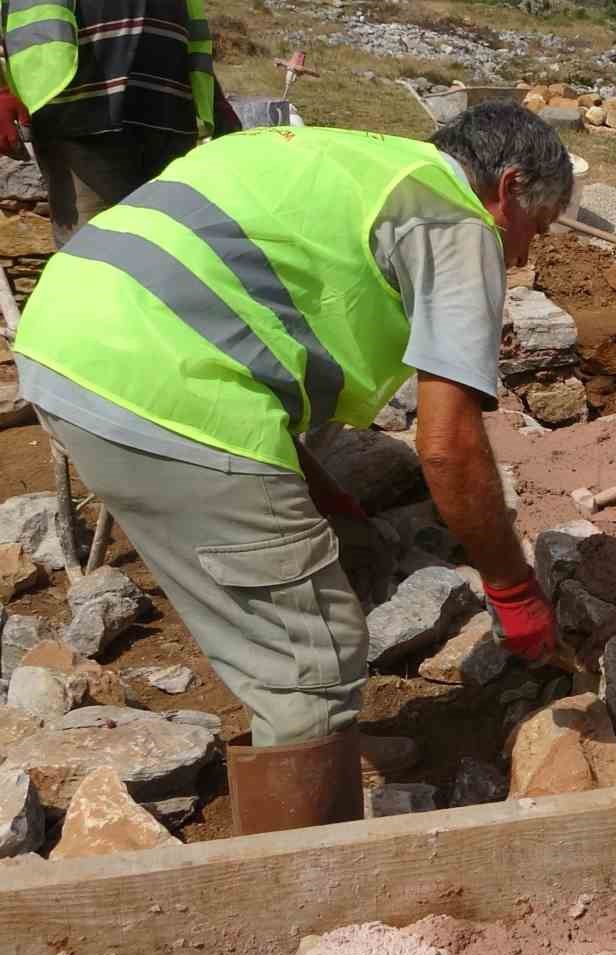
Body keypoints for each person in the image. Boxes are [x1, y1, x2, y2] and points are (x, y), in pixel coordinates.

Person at [10, 102, 569, 834]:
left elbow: (239, 308)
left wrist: (314, 485)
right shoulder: (453, 217)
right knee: (313, 653)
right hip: (158, 390)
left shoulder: (347, 157)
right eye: (538, 227)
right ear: (507, 185)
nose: (524, 255)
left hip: (65, 344)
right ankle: (300, 889)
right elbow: (448, 445)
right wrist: (514, 590)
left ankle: (318, 744)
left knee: (342, 553)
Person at [0, 0, 239, 246]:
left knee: (169, 257)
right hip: (78, 121)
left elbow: (189, 29)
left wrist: (215, 101)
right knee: (93, 257)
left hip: (170, 120)